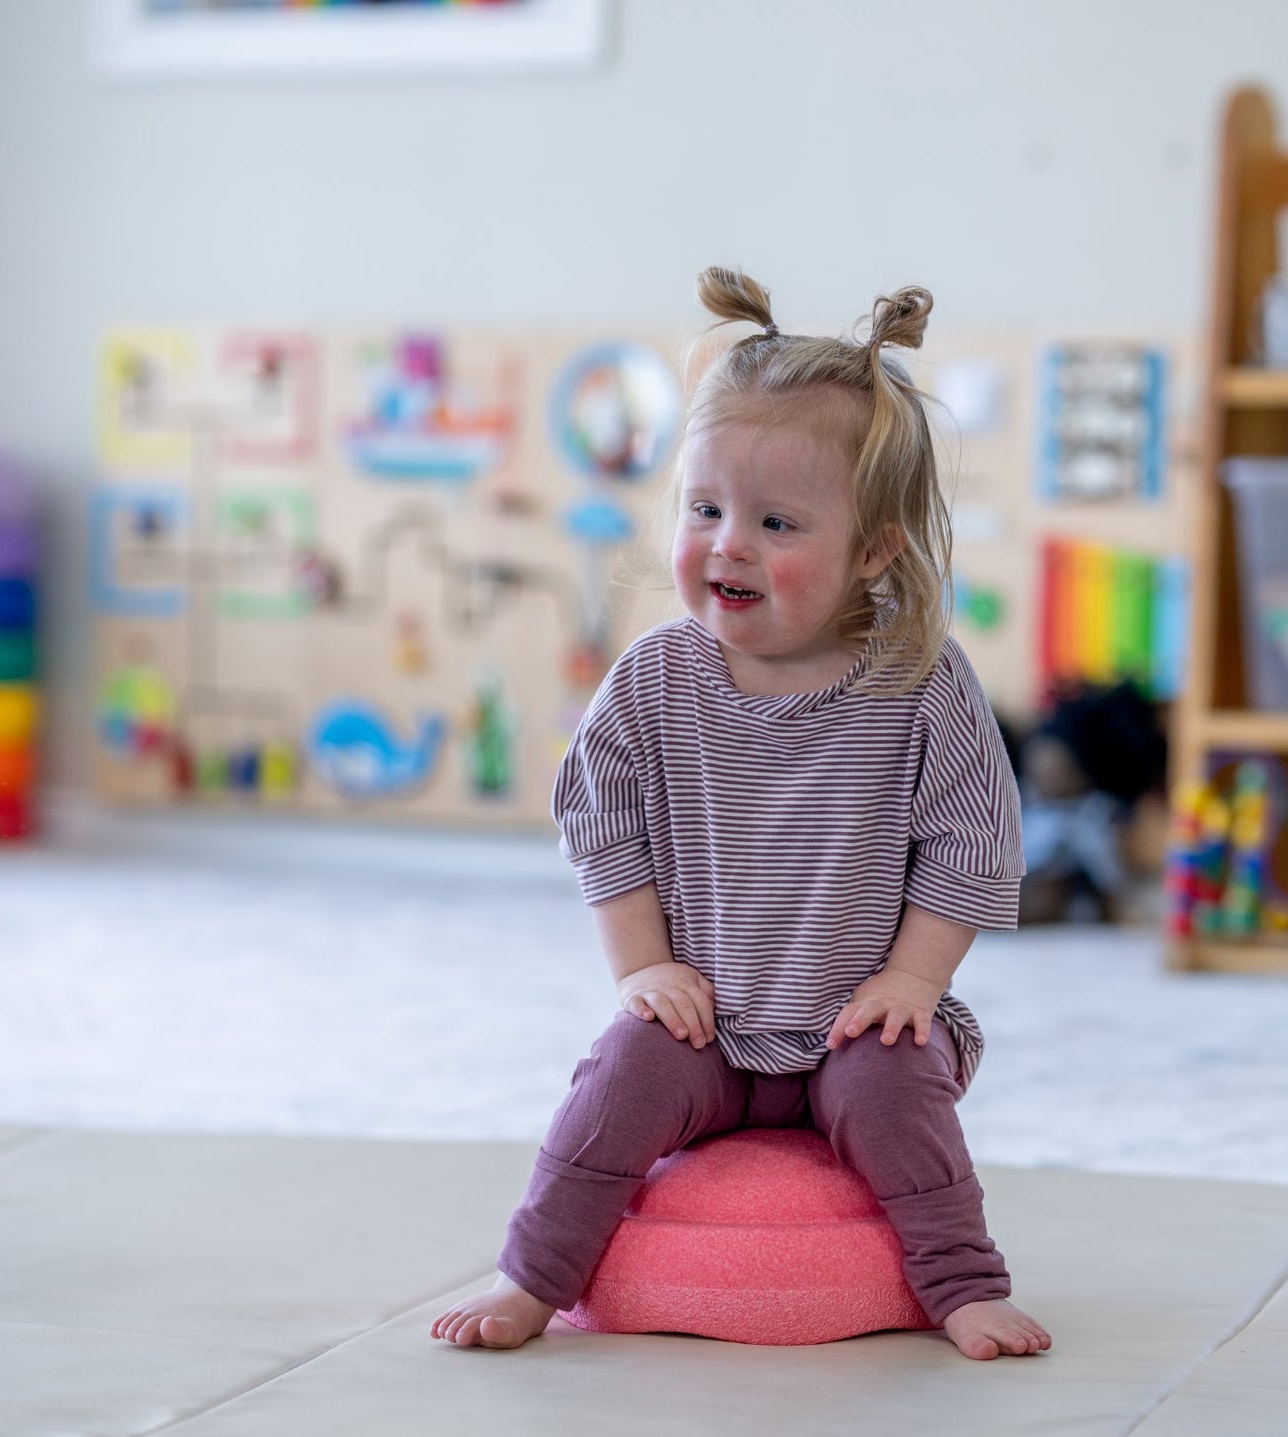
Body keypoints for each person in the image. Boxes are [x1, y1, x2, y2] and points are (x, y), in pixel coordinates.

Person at [430, 268, 1051, 1361]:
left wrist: (911, 983)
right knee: (618, 1078)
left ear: (872, 552)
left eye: (775, 522)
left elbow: (969, 835)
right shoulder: (655, 679)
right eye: (704, 509)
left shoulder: (917, 681)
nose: (728, 544)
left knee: (896, 1097)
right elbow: (600, 818)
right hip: (705, 1021)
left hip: (856, 1021)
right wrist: (639, 971)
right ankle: (533, 1274)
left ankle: (961, 1285)